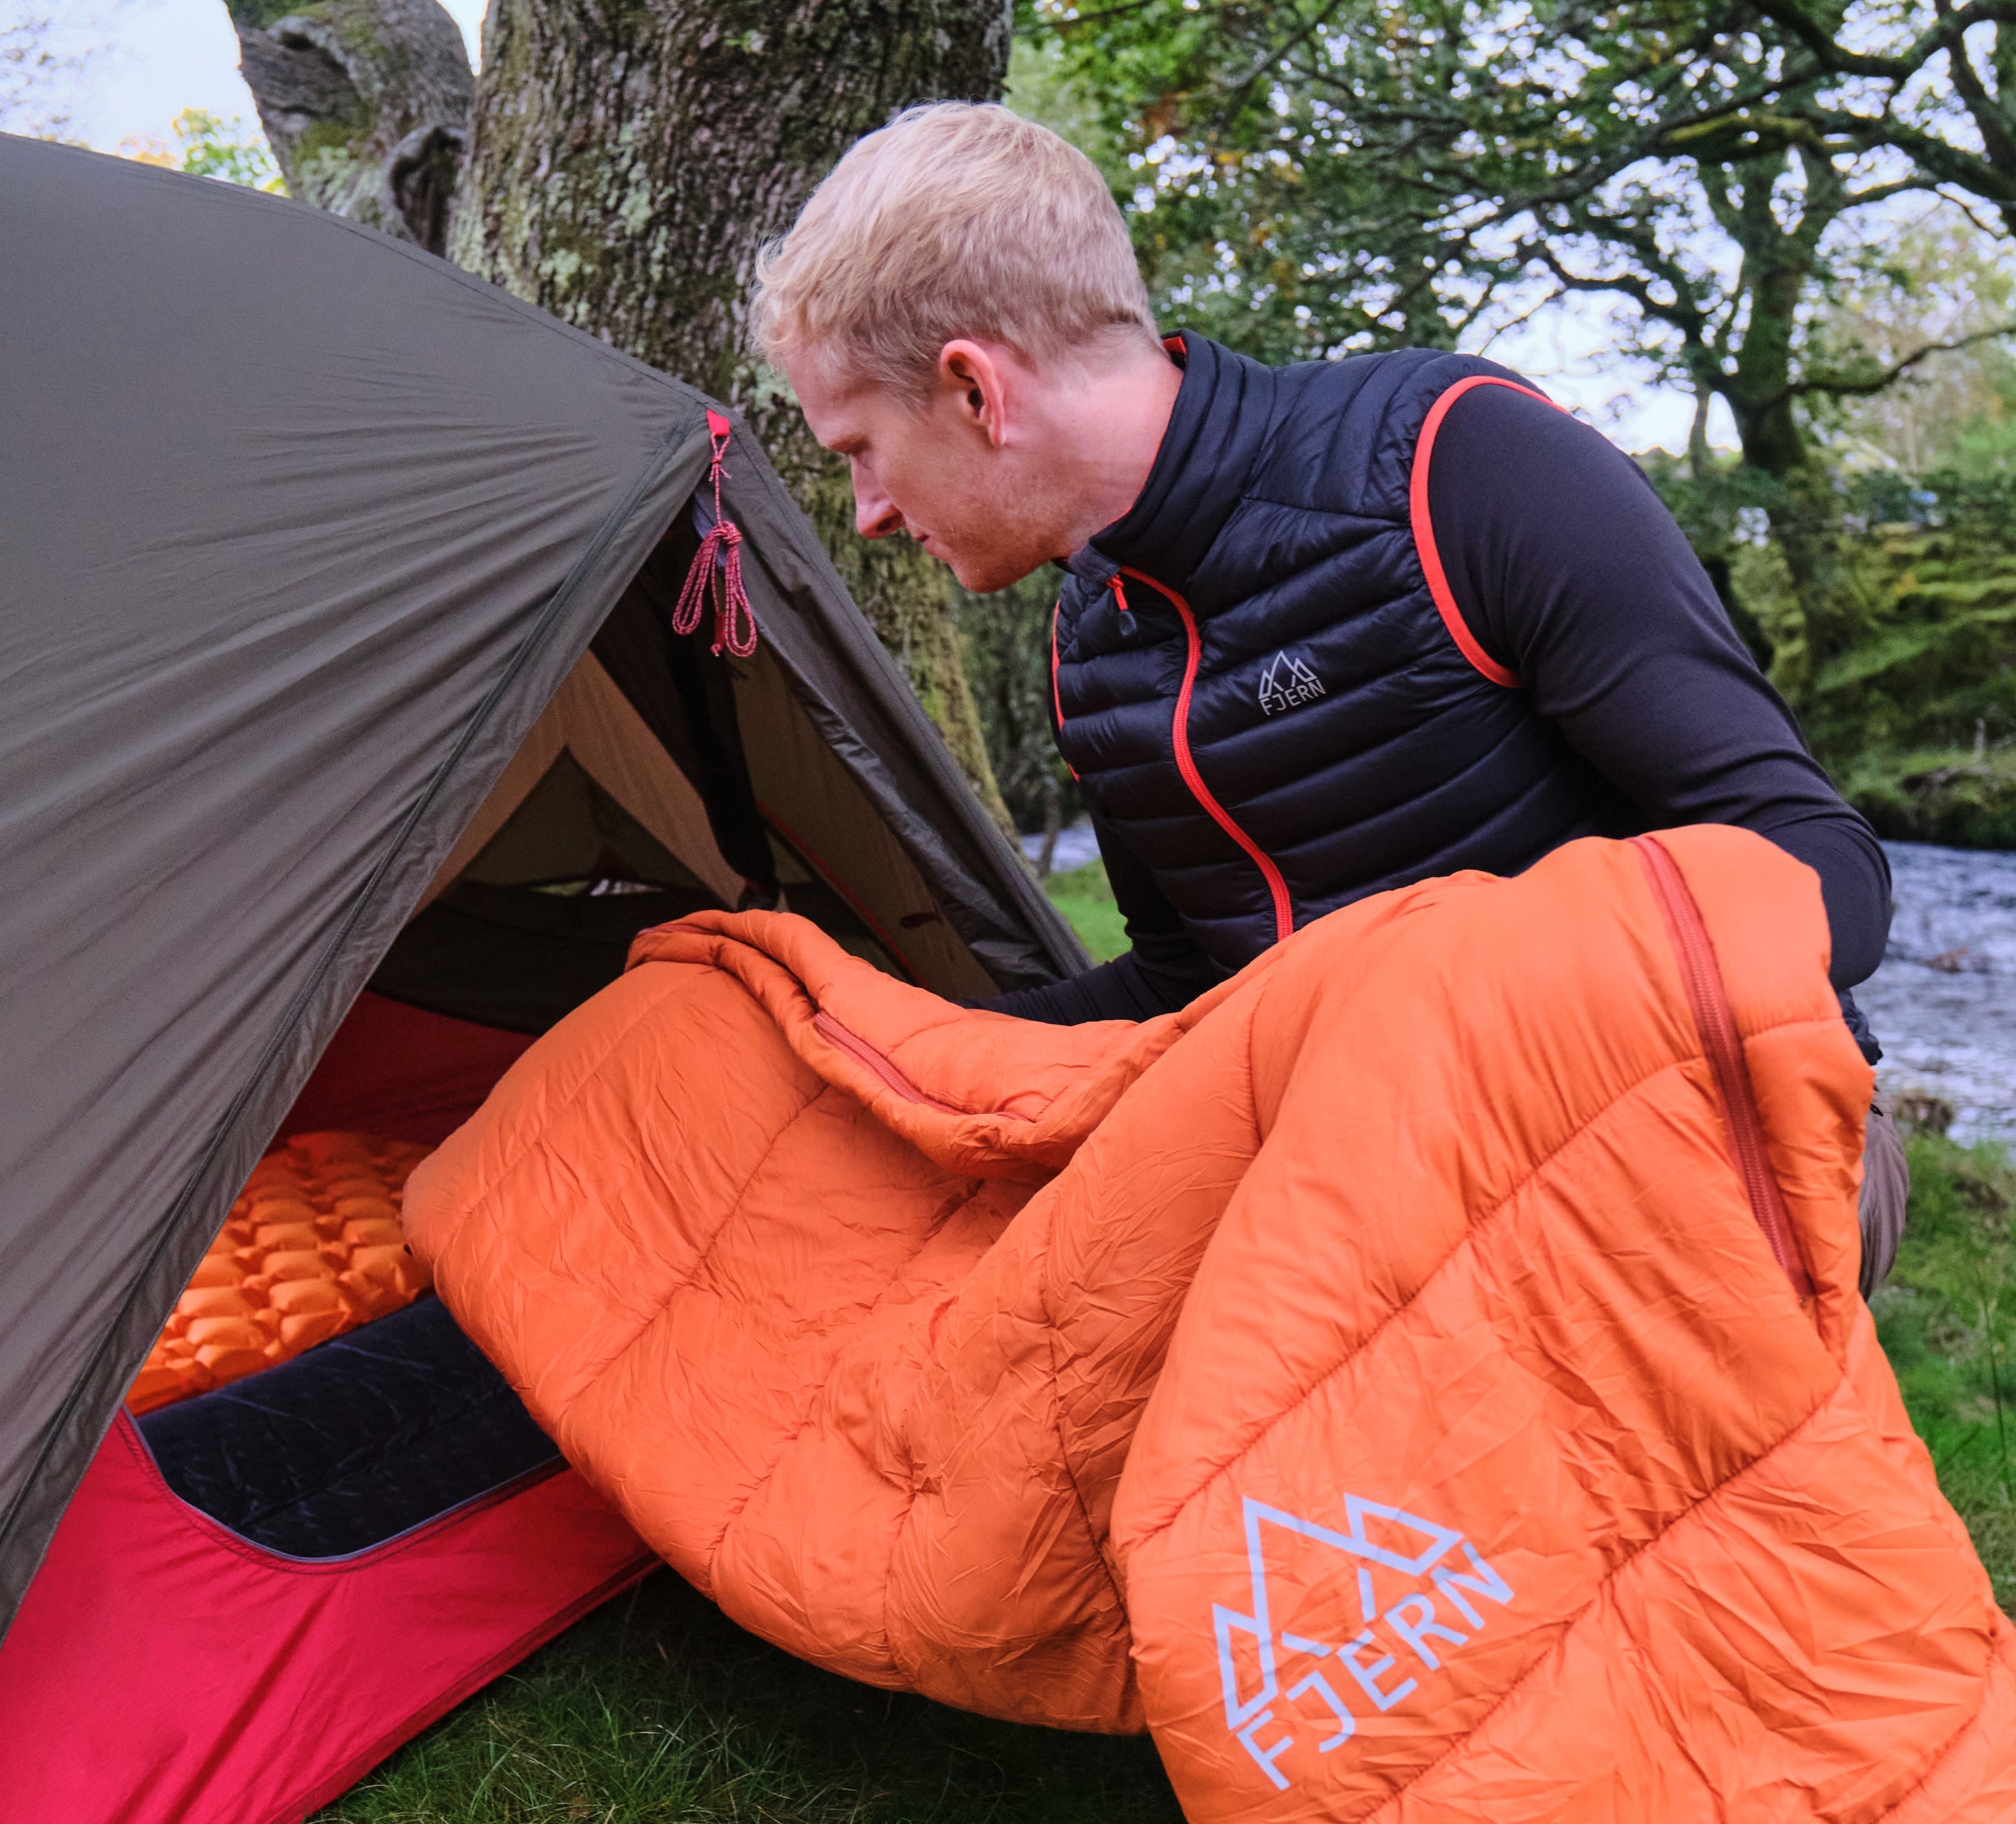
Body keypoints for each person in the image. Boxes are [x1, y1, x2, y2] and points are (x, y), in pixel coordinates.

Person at [748, 101, 1907, 1285]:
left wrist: (1440, 991)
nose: (870, 514)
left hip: (1729, 1137)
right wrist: (869, 1050)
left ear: (976, 392)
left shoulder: (1458, 467)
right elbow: (1185, 987)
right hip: (1388, 1194)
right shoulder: (1090, 649)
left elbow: (1831, 875)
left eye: (859, 452)